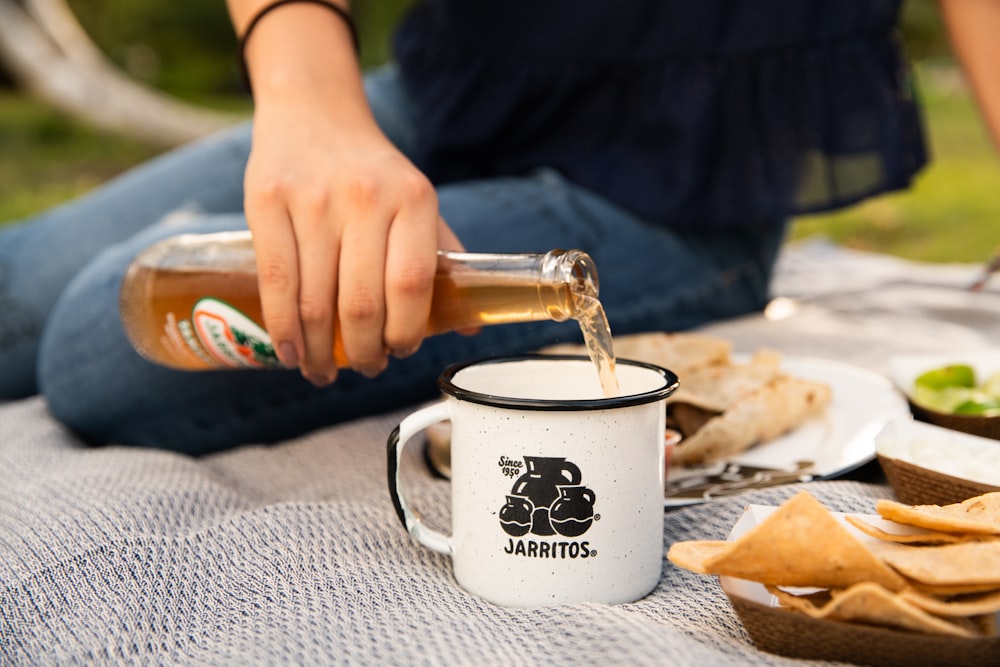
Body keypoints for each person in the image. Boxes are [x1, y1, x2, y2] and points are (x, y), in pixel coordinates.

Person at [0, 0, 991, 455]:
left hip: (687, 170)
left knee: (102, 342)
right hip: (450, 89)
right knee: (23, 285)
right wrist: (312, 111)